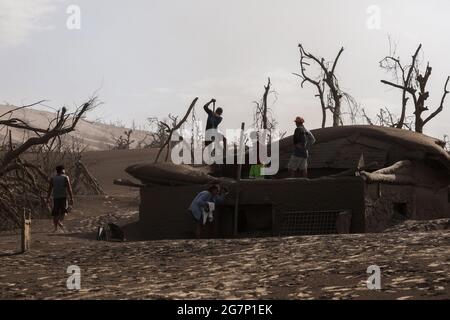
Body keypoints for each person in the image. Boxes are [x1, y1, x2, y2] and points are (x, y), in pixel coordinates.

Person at [46, 165, 74, 232]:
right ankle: (58, 222)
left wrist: (48, 198)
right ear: (62, 170)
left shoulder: (53, 178)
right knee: (63, 212)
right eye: (64, 170)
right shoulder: (65, 177)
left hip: (55, 197)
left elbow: (49, 189)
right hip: (63, 197)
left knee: (55, 213)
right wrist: (71, 198)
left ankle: (55, 228)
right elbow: (69, 189)